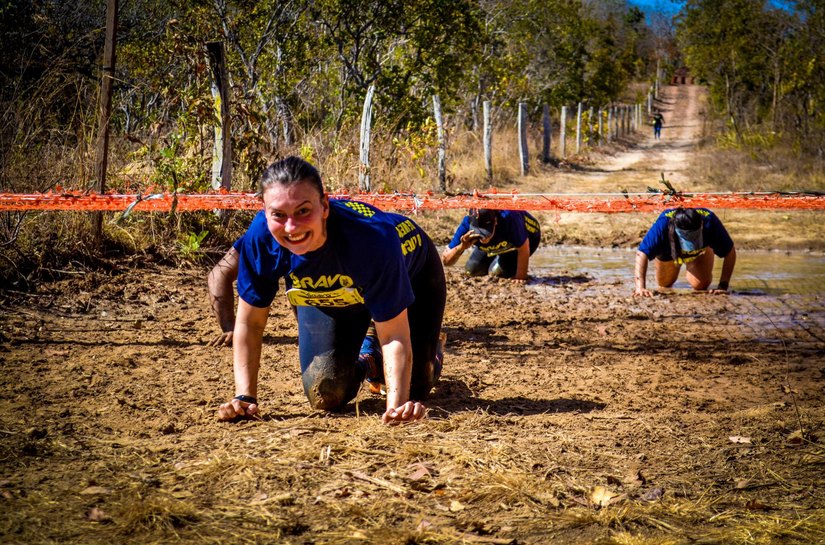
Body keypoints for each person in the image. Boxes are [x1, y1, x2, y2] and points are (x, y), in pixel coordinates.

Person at [216, 156, 446, 424]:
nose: (291, 227)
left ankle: (430, 346)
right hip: (335, 295)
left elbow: (394, 334)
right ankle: (369, 357)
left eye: (303, 211)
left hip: (414, 275)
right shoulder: (260, 237)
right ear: (264, 211)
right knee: (326, 394)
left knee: (418, 386)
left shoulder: (372, 239)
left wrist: (396, 408)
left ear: (324, 206)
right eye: (278, 214)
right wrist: (245, 398)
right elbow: (250, 322)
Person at [634, 207, 736, 296]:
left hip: (699, 251)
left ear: (701, 225)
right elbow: (641, 254)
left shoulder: (709, 221)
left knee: (700, 285)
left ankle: (707, 250)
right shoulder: (662, 225)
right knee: (664, 284)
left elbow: (730, 252)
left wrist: (723, 286)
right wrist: (640, 288)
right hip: (668, 250)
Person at [441, 208, 541, 282]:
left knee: (496, 273)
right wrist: (461, 248)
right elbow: (446, 262)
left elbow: (523, 248)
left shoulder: (510, 219)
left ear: (495, 222)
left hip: (526, 240)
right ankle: (496, 257)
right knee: (472, 271)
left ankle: (502, 261)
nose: (483, 238)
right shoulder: (466, 224)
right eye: (478, 233)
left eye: (486, 232)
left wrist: (520, 277)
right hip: (494, 245)